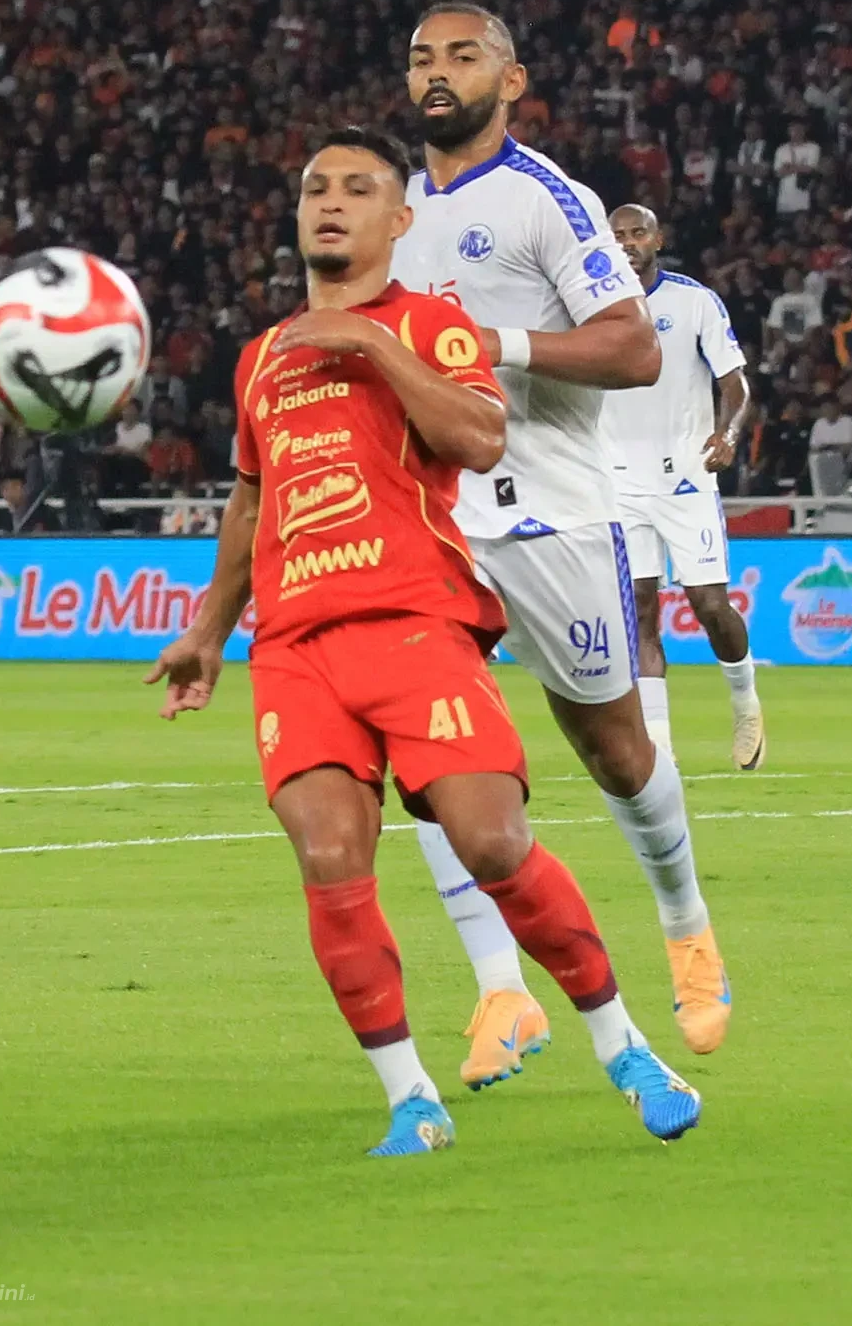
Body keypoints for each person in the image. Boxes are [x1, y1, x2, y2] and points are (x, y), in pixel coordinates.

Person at [145, 129, 702, 1157]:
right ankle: (411, 1099)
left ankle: (623, 1046)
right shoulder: (261, 357)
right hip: (295, 644)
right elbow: (251, 499)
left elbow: (480, 439)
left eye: (358, 189)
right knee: (328, 856)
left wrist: (369, 345)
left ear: (399, 220)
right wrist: (207, 631)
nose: (331, 202)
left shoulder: (431, 325)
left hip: (414, 623)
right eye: (316, 187)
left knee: (491, 841)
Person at [391, 3, 730, 1087]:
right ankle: (502, 987)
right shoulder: (395, 206)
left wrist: (487, 342)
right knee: (428, 755)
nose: (437, 73)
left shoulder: (549, 199)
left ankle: (684, 922)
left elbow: (632, 350)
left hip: (551, 511)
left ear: (511, 80)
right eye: (421, 59)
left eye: (462, 57)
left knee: (616, 753)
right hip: (435, 515)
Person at [601, 205, 763, 768]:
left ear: (658, 239)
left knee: (709, 605)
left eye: (637, 233)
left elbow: (735, 384)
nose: (627, 242)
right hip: (619, 481)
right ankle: (660, 749)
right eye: (617, 235)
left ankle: (744, 701)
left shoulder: (695, 302)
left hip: (687, 478)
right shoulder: (590, 305)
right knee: (640, 610)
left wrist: (729, 432)